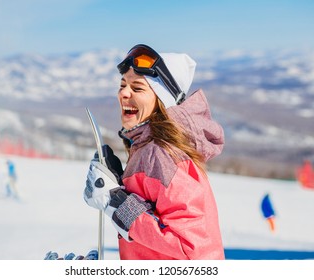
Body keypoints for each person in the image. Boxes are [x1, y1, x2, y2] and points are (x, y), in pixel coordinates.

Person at [84, 44, 225, 260]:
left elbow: (191, 248)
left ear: (162, 102)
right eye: (122, 84)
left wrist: (116, 201)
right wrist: (119, 185)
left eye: (137, 88)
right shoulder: (146, 146)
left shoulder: (162, 153)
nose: (123, 92)